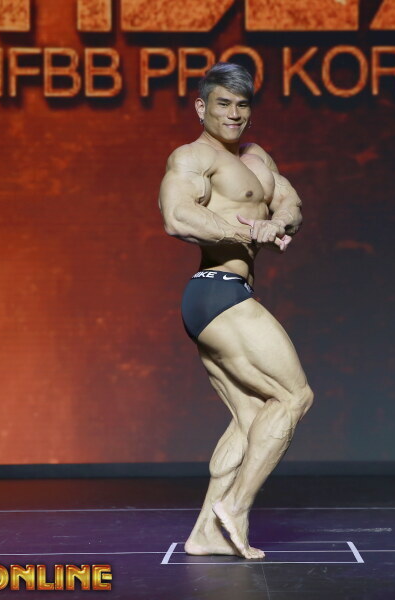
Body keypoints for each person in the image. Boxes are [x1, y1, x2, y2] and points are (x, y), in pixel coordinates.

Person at [158, 63, 314, 560]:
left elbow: (291, 204)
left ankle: (205, 532)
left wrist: (276, 223)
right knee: (294, 396)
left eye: (242, 105)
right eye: (222, 103)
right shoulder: (193, 156)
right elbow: (177, 215)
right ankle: (237, 507)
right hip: (218, 292)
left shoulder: (256, 158)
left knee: (251, 417)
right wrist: (244, 232)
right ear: (201, 107)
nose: (233, 113)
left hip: (222, 296)